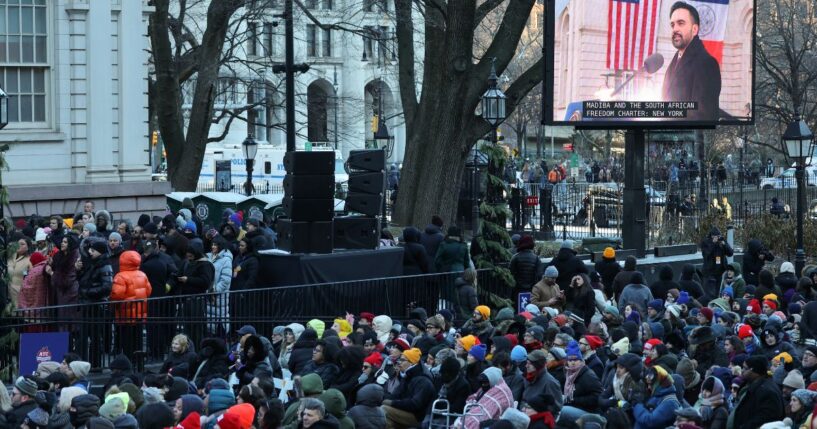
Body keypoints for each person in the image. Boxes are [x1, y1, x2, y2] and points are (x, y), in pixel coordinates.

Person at [661, 2, 721, 121]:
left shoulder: (707, 63)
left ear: (694, 29)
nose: (675, 29)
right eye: (672, 25)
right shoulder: (675, 61)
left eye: (681, 23)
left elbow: (703, 115)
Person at [110, 250, 152, 356]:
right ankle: (138, 362)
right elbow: (149, 290)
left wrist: (112, 303)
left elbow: (116, 294)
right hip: (139, 313)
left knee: (126, 340)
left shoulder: (120, 276)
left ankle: (129, 362)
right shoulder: (142, 274)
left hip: (125, 314)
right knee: (137, 340)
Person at [381, 348, 435, 429]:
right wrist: (381, 398)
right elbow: (396, 395)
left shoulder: (423, 381)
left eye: (402, 360)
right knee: (387, 422)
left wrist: (392, 403)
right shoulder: (407, 375)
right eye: (399, 360)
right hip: (406, 412)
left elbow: (415, 404)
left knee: (383, 409)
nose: (399, 363)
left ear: (412, 362)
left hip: (418, 417)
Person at [700, 227, 733, 300]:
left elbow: (730, 253)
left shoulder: (722, 240)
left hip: (720, 271)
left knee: (719, 291)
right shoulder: (706, 242)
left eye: (719, 236)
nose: (718, 238)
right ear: (712, 236)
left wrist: (725, 245)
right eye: (716, 236)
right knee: (710, 293)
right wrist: (713, 244)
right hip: (709, 271)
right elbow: (706, 255)